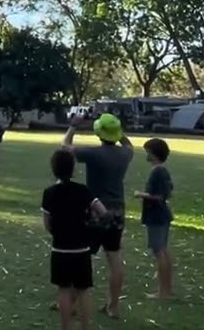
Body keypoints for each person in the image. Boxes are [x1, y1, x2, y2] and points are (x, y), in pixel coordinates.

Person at [62, 113, 133, 319]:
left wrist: (73, 126)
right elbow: (128, 143)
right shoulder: (125, 154)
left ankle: (71, 302)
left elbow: (65, 147)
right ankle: (113, 306)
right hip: (118, 211)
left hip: (95, 210)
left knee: (83, 257)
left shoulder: (93, 154)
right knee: (114, 257)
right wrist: (118, 131)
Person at [42, 149, 107, 330]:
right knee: (83, 290)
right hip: (81, 249)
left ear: (54, 169)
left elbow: (47, 224)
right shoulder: (83, 191)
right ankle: (86, 326)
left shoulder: (49, 193)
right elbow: (102, 212)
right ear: (73, 169)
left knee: (63, 290)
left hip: (60, 249)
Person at [134, 137, 174, 299]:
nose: (146, 155)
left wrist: (140, 195)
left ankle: (163, 292)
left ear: (154, 154)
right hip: (162, 215)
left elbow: (158, 196)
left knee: (159, 252)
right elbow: (169, 192)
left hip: (156, 216)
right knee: (163, 250)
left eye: (148, 152)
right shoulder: (163, 171)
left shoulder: (157, 171)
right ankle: (167, 289)